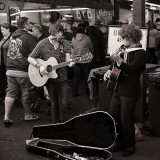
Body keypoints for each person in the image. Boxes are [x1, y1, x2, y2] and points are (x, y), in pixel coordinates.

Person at [103, 24, 147, 157]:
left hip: (130, 90)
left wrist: (119, 60)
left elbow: (132, 70)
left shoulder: (141, 53)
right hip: (118, 88)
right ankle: (120, 141)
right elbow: (114, 65)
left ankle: (130, 145)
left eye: (123, 38)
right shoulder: (124, 49)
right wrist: (109, 71)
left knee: (126, 119)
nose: (122, 40)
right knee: (114, 115)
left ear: (131, 37)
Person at [28, 23, 74, 124]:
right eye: (53, 36)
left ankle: (65, 126)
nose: (54, 39)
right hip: (50, 79)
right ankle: (55, 126)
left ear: (61, 33)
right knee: (54, 104)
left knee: (63, 105)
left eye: (57, 35)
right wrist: (40, 67)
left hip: (63, 78)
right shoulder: (42, 43)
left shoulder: (65, 43)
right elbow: (30, 58)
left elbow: (68, 60)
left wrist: (71, 63)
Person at [4, 17, 38, 126]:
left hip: (10, 70)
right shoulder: (29, 37)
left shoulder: (12, 36)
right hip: (22, 70)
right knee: (26, 93)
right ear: (26, 25)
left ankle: (6, 117)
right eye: (29, 23)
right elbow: (36, 54)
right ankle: (28, 115)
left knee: (10, 93)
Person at [71, 23, 94, 97]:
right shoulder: (87, 38)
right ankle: (88, 92)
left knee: (76, 77)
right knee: (87, 76)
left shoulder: (73, 37)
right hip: (85, 60)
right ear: (84, 30)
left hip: (76, 60)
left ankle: (74, 92)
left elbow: (72, 47)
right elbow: (91, 47)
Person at [0, 23, 15, 103]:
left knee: (9, 82)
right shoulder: (3, 38)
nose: (1, 31)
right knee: (3, 81)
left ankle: (10, 99)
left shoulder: (12, 38)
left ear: (8, 29)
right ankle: (7, 97)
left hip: (8, 64)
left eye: (3, 29)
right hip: (2, 63)